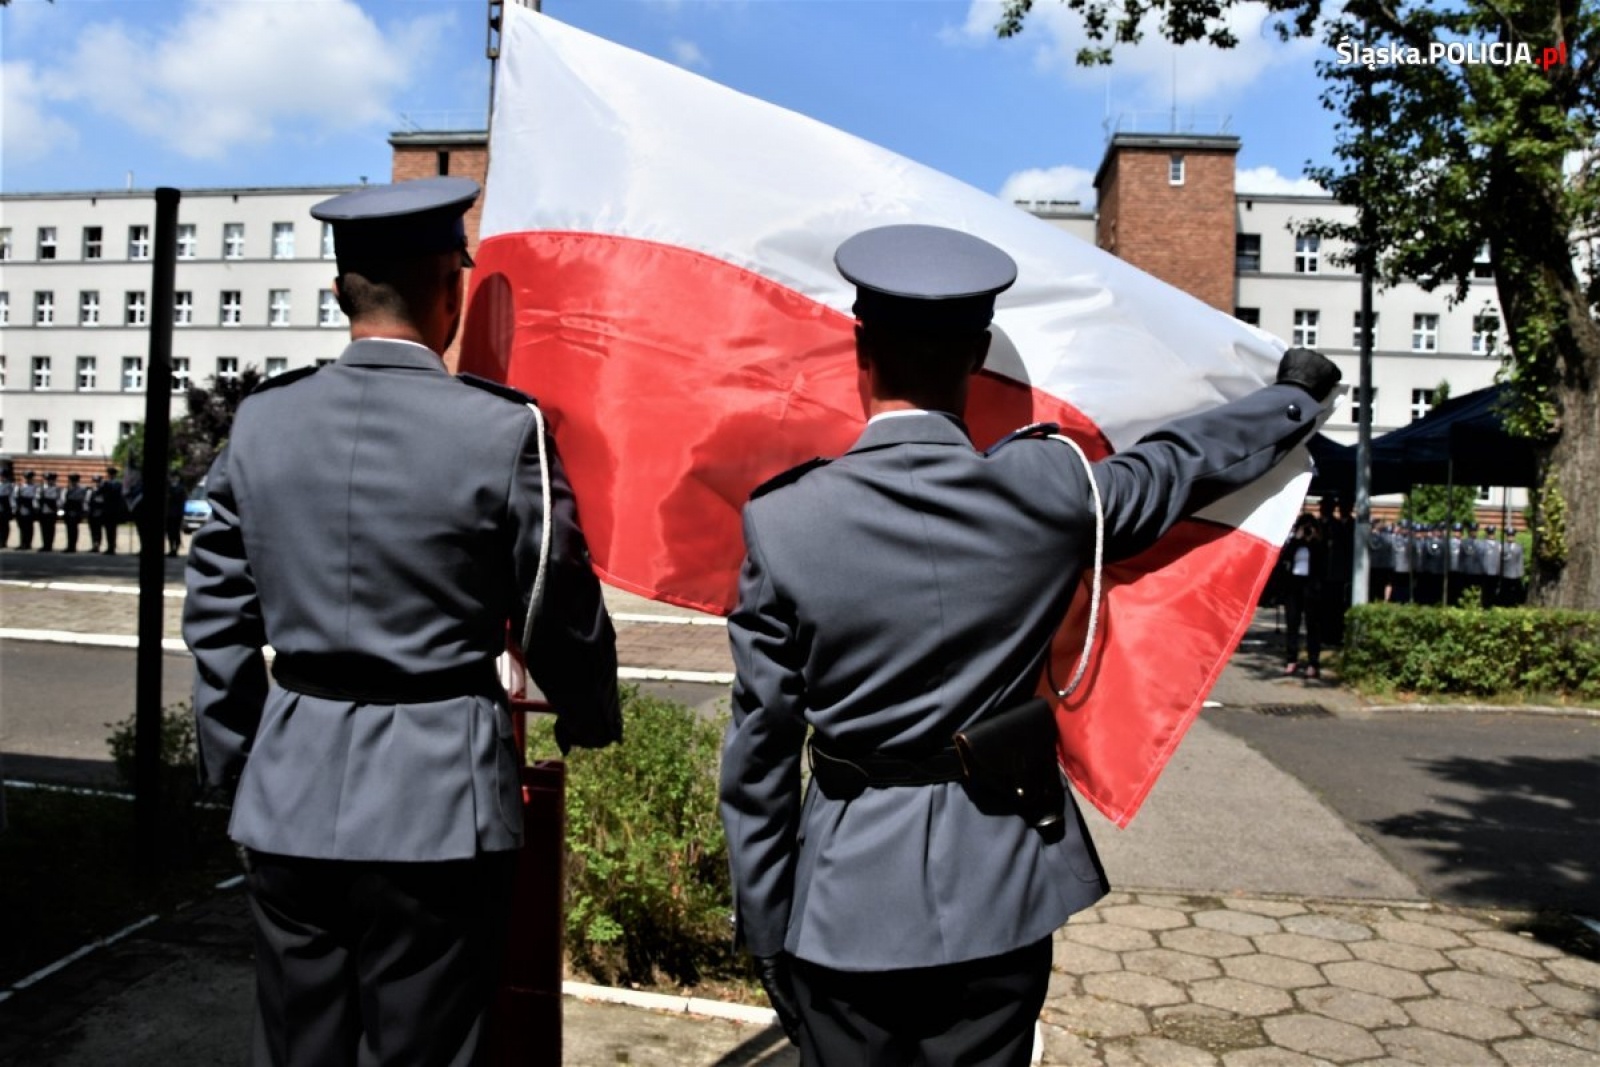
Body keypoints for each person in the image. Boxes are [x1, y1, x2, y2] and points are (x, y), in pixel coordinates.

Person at [718, 224, 1341, 1066]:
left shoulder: (785, 520)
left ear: (859, 347)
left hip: (842, 902)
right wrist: (1293, 399)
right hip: (1002, 886)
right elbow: (1178, 466)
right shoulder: (1049, 486)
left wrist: (764, 922)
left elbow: (758, 755)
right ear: (978, 355)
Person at [183, 176, 623, 1067]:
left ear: (342, 290)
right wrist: (587, 712)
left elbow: (219, 620)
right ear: (449, 288)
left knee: (297, 1047)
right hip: (440, 804)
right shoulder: (504, 431)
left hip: (289, 796)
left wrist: (239, 771)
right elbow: (552, 599)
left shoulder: (262, 424)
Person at [1281, 514, 1326, 678]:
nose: (1306, 530)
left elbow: (1322, 559)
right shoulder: (1294, 543)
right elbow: (1284, 557)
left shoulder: (1317, 543)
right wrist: (1297, 538)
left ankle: (1313, 662)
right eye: (1303, 527)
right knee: (1292, 623)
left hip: (1311, 586)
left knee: (1312, 625)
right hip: (1294, 586)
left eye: (1309, 527)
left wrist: (1313, 539)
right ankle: (1291, 659)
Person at [100, 467, 127, 555]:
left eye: (110, 474)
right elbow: (101, 492)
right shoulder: (105, 483)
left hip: (114, 509)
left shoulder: (118, 484)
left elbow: (118, 494)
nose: (109, 475)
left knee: (113, 528)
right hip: (107, 509)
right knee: (108, 529)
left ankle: (112, 546)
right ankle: (109, 546)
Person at [62, 472, 89, 553]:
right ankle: (69, 545)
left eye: (74, 480)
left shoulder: (82, 489)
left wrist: (83, 511)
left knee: (74, 529)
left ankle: (73, 546)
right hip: (68, 510)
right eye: (72, 480)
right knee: (69, 529)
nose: (73, 482)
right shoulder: (67, 488)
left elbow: (84, 500)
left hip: (77, 510)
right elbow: (63, 500)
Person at [36, 471, 62, 552]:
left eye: (51, 479)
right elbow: (37, 499)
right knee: (43, 529)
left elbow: (59, 500)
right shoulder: (41, 488)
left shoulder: (57, 489)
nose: (49, 481)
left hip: (52, 511)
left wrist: (57, 508)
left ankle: (49, 545)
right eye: (47, 479)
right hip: (43, 511)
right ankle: (45, 545)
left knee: (51, 529)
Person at [15, 471, 40, 551]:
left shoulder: (36, 487)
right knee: (21, 527)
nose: (28, 480)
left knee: (29, 527)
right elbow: (16, 498)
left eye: (30, 478)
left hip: (30, 508)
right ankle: (22, 543)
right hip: (21, 508)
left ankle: (28, 543)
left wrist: (35, 508)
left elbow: (36, 498)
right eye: (26, 478)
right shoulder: (20, 487)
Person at [165, 473, 185, 557]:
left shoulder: (180, 488)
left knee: (176, 532)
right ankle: (171, 549)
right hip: (169, 514)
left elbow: (181, 502)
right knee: (170, 533)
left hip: (177, 514)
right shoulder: (169, 488)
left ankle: (175, 550)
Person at [87, 474, 106, 552]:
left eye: (97, 481)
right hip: (91, 512)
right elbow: (87, 501)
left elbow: (102, 501)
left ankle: (97, 545)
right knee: (92, 529)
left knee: (98, 530)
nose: (96, 483)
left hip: (99, 512)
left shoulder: (103, 491)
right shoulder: (90, 490)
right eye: (95, 481)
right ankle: (94, 544)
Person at [0, 466, 15, 549]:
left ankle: (3, 541)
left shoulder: (9, 485)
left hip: (5, 505)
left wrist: (13, 507)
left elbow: (12, 497)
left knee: (5, 525)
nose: (1, 478)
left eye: (3, 476)